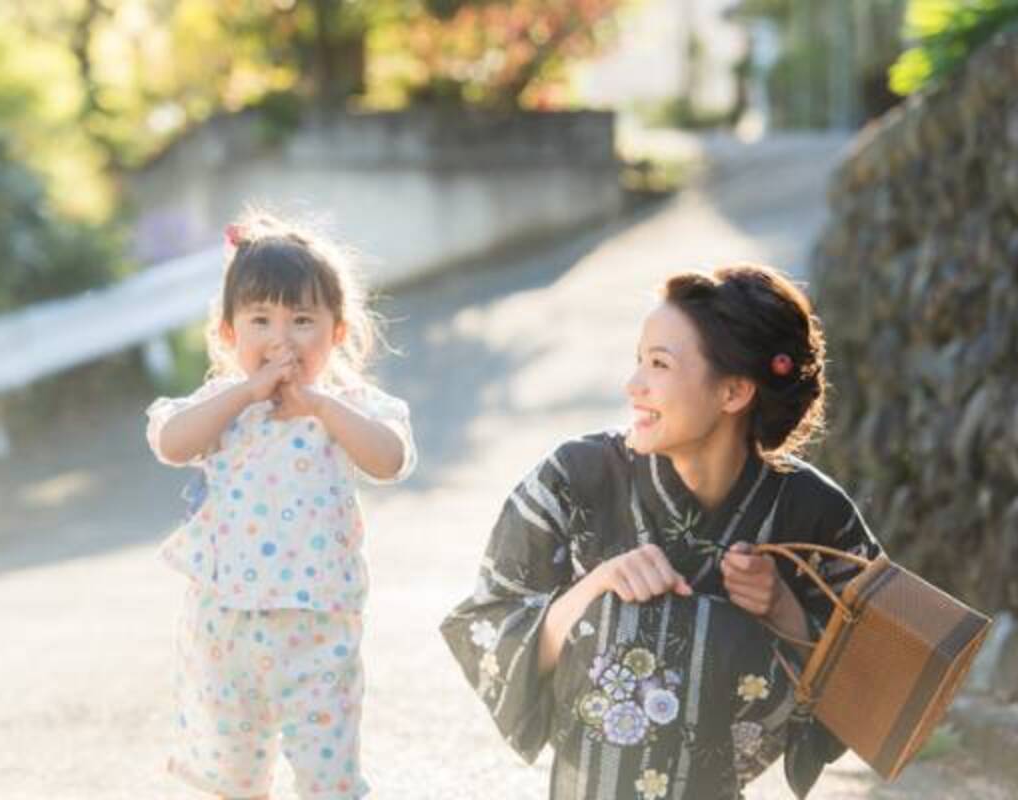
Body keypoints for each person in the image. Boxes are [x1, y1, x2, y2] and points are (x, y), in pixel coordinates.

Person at [441, 264, 882, 799]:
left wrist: (783, 611)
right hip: (596, 776)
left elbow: (881, 688)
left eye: (659, 364)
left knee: (697, 629)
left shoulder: (811, 510)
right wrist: (594, 589)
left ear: (735, 391)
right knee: (624, 621)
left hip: (718, 775)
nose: (633, 385)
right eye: (638, 361)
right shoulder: (576, 477)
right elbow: (485, 623)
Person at [145, 211, 416, 800]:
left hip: (318, 627)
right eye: (260, 319)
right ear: (228, 333)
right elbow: (171, 442)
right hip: (227, 628)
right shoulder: (226, 405)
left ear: (337, 333)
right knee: (235, 780)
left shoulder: (344, 405)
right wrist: (245, 391)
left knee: (329, 779)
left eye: (302, 321)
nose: (280, 338)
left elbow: (389, 458)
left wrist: (321, 405)